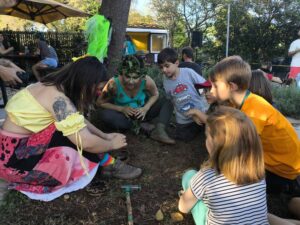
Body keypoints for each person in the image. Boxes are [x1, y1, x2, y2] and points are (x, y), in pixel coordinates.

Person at [0, 56, 142, 202]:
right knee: (74, 137)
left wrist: (104, 136)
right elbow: (84, 141)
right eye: (98, 88)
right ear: (86, 83)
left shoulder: (48, 85)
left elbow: (76, 118)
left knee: (70, 129)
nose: (99, 94)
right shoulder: (57, 99)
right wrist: (111, 144)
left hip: (8, 151)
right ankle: (109, 164)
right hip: (15, 164)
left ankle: (106, 162)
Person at [208, 56, 300, 219]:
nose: (211, 91)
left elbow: (237, 150)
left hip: (284, 170)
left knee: (234, 174)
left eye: (215, 86)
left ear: (231, 86)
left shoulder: (254, 111)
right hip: (278, 160)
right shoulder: (244, 102)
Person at [178, 106, 268, 225]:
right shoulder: (259, 173)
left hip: (203, 193)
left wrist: (185, 197)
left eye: (207, 136)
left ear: (215, 145)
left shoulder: (206, 177)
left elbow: (182, 208)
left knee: (189, 175)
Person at [96, 55, 175, 144]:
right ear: (122, 73)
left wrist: (145, 108)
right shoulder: (114, 83)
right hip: (124, 116)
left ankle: (159, 130)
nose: (131, 81)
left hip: (142, 112)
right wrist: (121, 109)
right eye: (127, 76)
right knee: (105, 115)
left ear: (141, 75)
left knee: (168, 101)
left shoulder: (146, 80)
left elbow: (155, 94)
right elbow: (100, 102)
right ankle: (137, 126)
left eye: (135, 77)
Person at [157, 47, 208, 142]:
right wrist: (191, 115)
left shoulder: (188, 72)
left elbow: (203, 86)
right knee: (183, 136)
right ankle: (197, 127)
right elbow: (174, 100)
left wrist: (203, 101)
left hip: (201, 111)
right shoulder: (165, 81)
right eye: (161, 67)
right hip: (185, 117)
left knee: (209, 127)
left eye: (167, 66)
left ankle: (202, 125)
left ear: (176, 63)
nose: (163, 70)